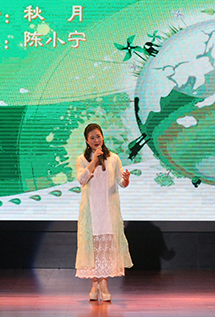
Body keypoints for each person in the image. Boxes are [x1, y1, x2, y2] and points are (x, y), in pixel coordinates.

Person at [75, 123, 133, 302]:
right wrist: (93, 161)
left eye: (98, 136)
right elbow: (82, 179)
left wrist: (126, 180)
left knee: (107, 249)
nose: (96, 140)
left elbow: (121, 182)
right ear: (87, 141)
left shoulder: (113, 158)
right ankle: (94, 284)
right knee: (91, 249)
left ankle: (104, 283)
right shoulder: (81, 159)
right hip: (91, 212)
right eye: (92, 138)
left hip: (108, 211)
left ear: (102, 137)